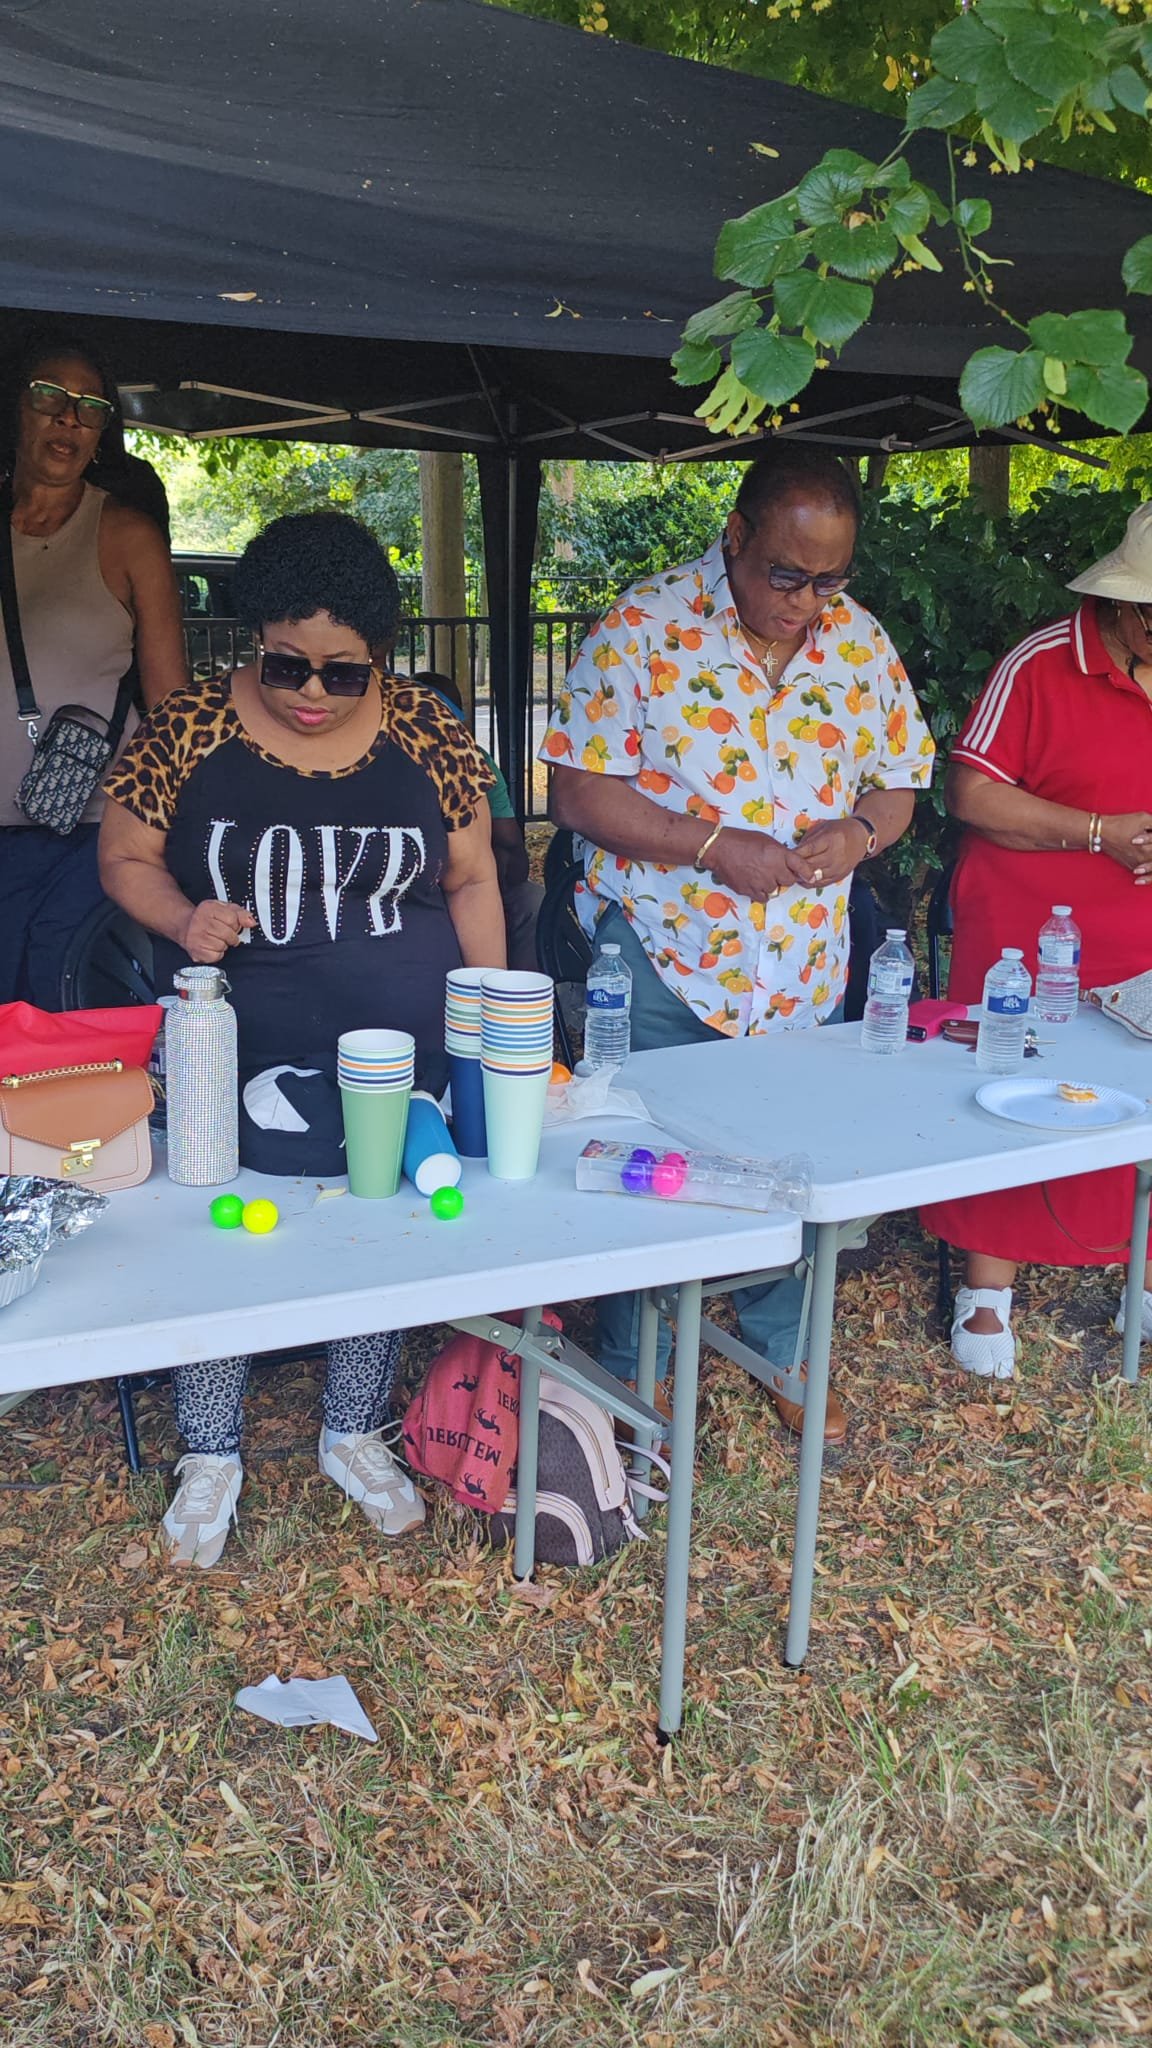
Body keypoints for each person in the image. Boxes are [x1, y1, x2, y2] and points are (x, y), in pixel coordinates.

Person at [100, 511, 505, 1566]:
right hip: (231, 1054)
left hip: (398, 1049)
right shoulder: (190, 723)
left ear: (381, 656)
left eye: (344, 672)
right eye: (286, 666)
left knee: (375, 1223)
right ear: (253, 638)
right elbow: (124, 857)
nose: (313, 693)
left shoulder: (426, 727)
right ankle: (210, 1449)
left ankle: (351, 1431)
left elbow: (472, 878)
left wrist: (487, 1028)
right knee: (220, 1233)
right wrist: (186, 918)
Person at [541, 445, 933, 1438]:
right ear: (735, 537)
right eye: (786, 574)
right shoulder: (643, 626)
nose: (806, 602)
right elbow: (577, 791)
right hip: (667, 956)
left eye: (830, 579)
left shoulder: (859, 643)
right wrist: (713, 846)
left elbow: (900, 779)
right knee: (648, 1160)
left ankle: (783, 1348)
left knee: (790, 1157)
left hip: (802, 965)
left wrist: (862, 832)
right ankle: (636, 1363)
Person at [921, 503, 1152, 1379]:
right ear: (1123, 603)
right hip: (1029, 932)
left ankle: (1144, 1276)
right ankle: (987, 1289)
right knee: (1010, 1094)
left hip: (1142, 933)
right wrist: (1096, 833)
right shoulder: (1043, 661)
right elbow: (970, 794)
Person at [0, 329, 187, 1008]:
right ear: (15, 406)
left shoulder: (127, 535)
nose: (69, 419)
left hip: (90, 828)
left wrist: (173, 831)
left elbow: (171, 707)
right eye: (50, 396)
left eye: (90, 407)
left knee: (58, 1008)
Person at [411, 670, 544, 970]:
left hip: (470, 882)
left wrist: (492, 881)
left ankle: (517, 991)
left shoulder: (473, 760)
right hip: (418, 894)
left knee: (533, 901)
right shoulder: (393, 759)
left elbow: (511, 850)